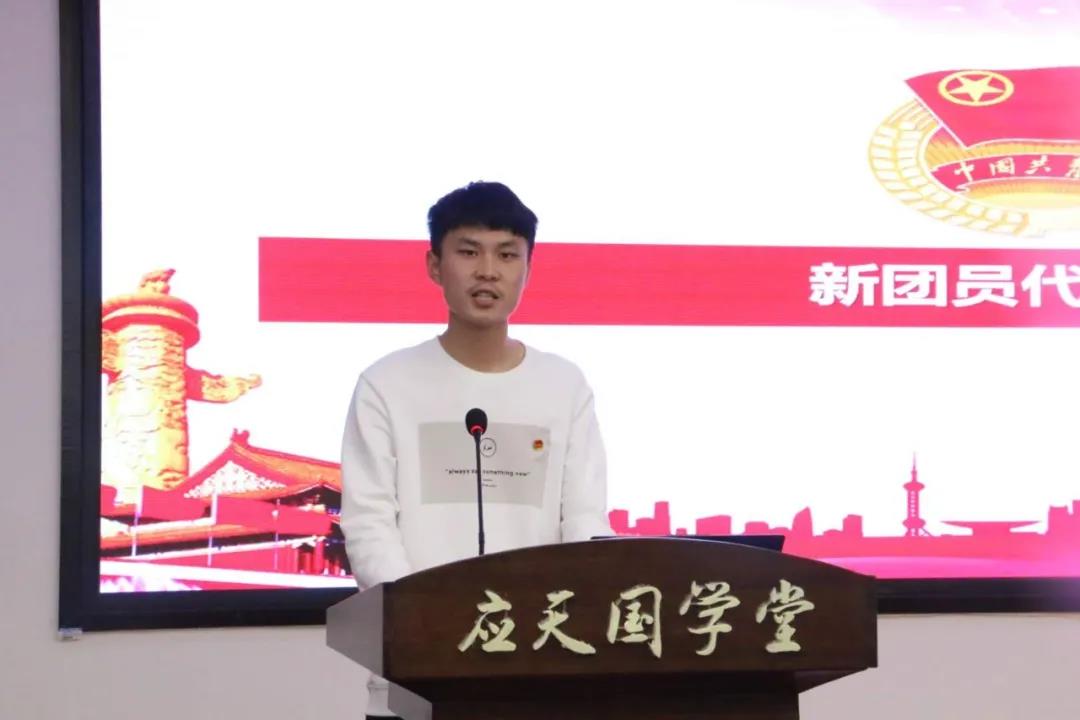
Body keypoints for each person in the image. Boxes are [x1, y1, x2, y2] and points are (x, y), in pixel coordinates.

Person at [339, 180, 612, 720]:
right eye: (468, 252)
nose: (488, 271)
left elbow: (584, 520)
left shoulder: (564, 386)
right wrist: (424, 620)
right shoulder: (386, 384)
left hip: (540, 673)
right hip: (416, 681)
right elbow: (369, 525)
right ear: (435, 265)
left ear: (527, 269)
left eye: (507, 255)